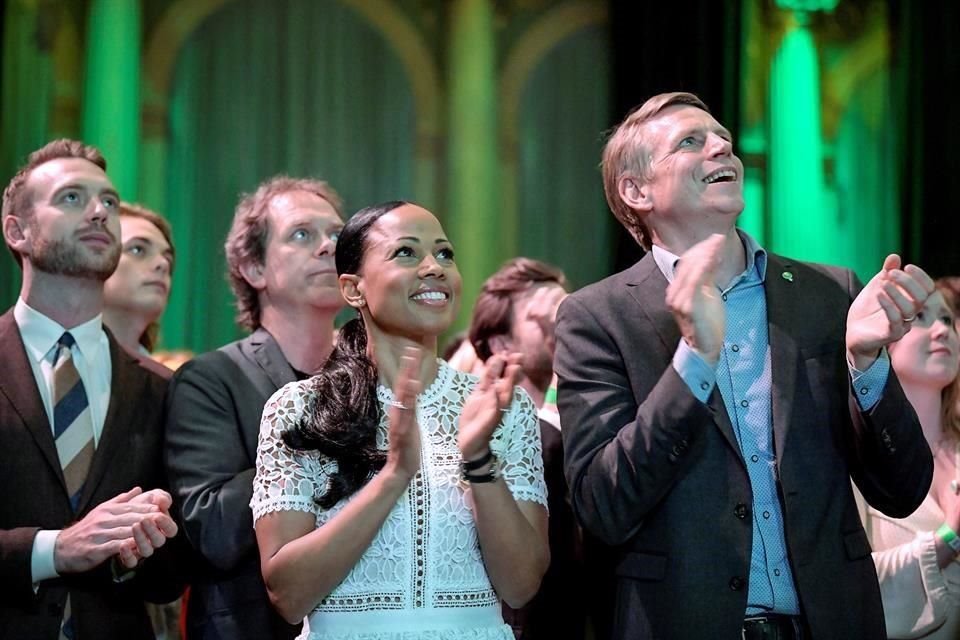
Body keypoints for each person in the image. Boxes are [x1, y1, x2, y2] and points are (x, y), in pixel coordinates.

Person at [553, 92, 935, 639]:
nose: (721, 148)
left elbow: (902, 489)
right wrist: (695, 361)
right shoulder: (597, 317)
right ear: (636, 191)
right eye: (691, 142)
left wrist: (866, 363)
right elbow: (604, 505)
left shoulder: (829, 294)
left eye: (723, 139)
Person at [250, 201, 549, 639]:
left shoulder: (502, 407)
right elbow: (289, 596)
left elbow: (521, 587)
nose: (434, 267)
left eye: (445, 253)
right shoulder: (298, 408)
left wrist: (478, 458)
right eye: (406, 253)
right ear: (354, 290)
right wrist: (393, 476)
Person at [0, 139, 181, 639]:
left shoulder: (161, 389)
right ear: (17, 230)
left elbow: (172, 578)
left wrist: (141, 549)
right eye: (72, 198)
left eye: (108, 201)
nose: (100, 212)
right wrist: (54, 550)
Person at [164, 176, 345, 640]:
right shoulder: (212, 379)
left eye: (338, 234)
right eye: (302, 234)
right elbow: (213, 531)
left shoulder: (371, 377)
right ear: (253, 268)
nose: (329, 246)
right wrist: (318, 431)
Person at [466, 257, 585, 640]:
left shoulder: (594, 418)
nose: (563, 328)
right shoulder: (484, 432)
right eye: (547, 319)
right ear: (502, 344)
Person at [861, 284, 960, 638]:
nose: (942, 329)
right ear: (883, 341)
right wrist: (950, 537)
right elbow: (848, 587)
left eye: (947, 318)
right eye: (920, 316)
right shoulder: (857, 462)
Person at [103, 202, 175, 356]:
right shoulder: (44, 365)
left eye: (168, 258)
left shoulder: (165, 379)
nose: (163, 264)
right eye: (137, 249)